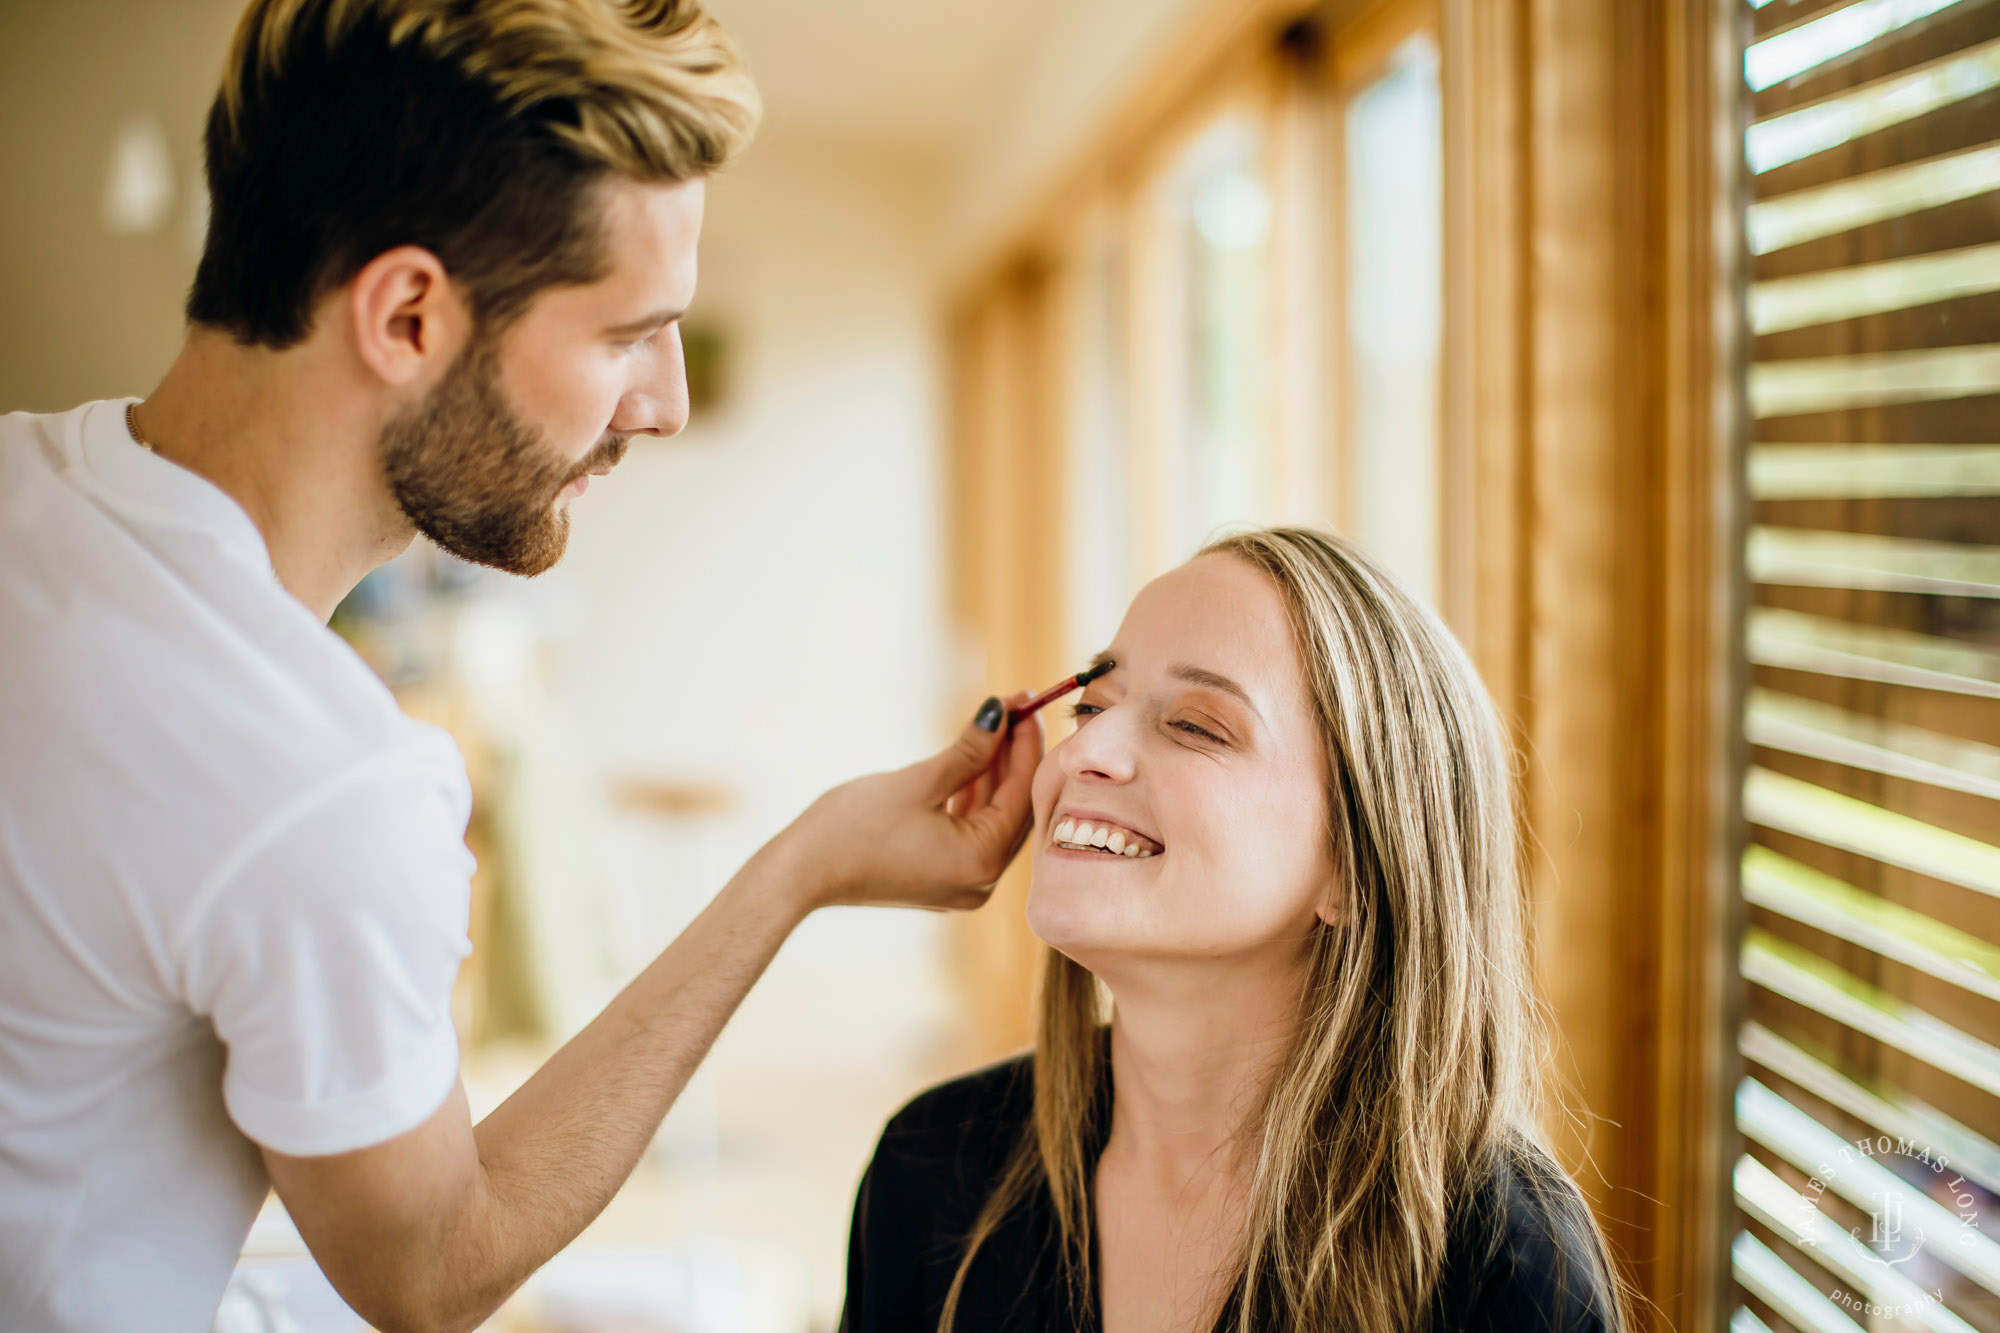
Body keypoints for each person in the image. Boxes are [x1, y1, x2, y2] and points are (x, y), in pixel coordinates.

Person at [0, 3, 1046, 1331]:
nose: (662, 399)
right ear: (411, 313)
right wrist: (800, 871)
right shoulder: (322, 783)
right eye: (629, 333)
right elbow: (430, 1271)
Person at [840, 528, 1628, 1333]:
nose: (1087, 750)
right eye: (1092, 704)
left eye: (1196, 725)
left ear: (1357, 867)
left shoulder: (1505, 1273)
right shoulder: (930, 1167)